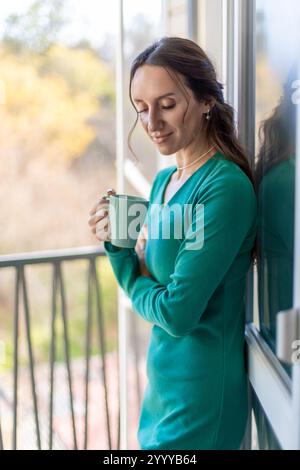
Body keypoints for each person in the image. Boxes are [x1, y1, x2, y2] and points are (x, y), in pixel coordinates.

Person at [88, 37, 257, 450]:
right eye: (142, 109)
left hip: (201, 400)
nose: (152, 123)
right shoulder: (164, 182)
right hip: (161, 389)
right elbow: (155, 272)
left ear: (204, 101)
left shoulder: (223, 188)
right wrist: (117, 236)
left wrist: (127, 267)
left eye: (167, 105)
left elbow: (177, 312)